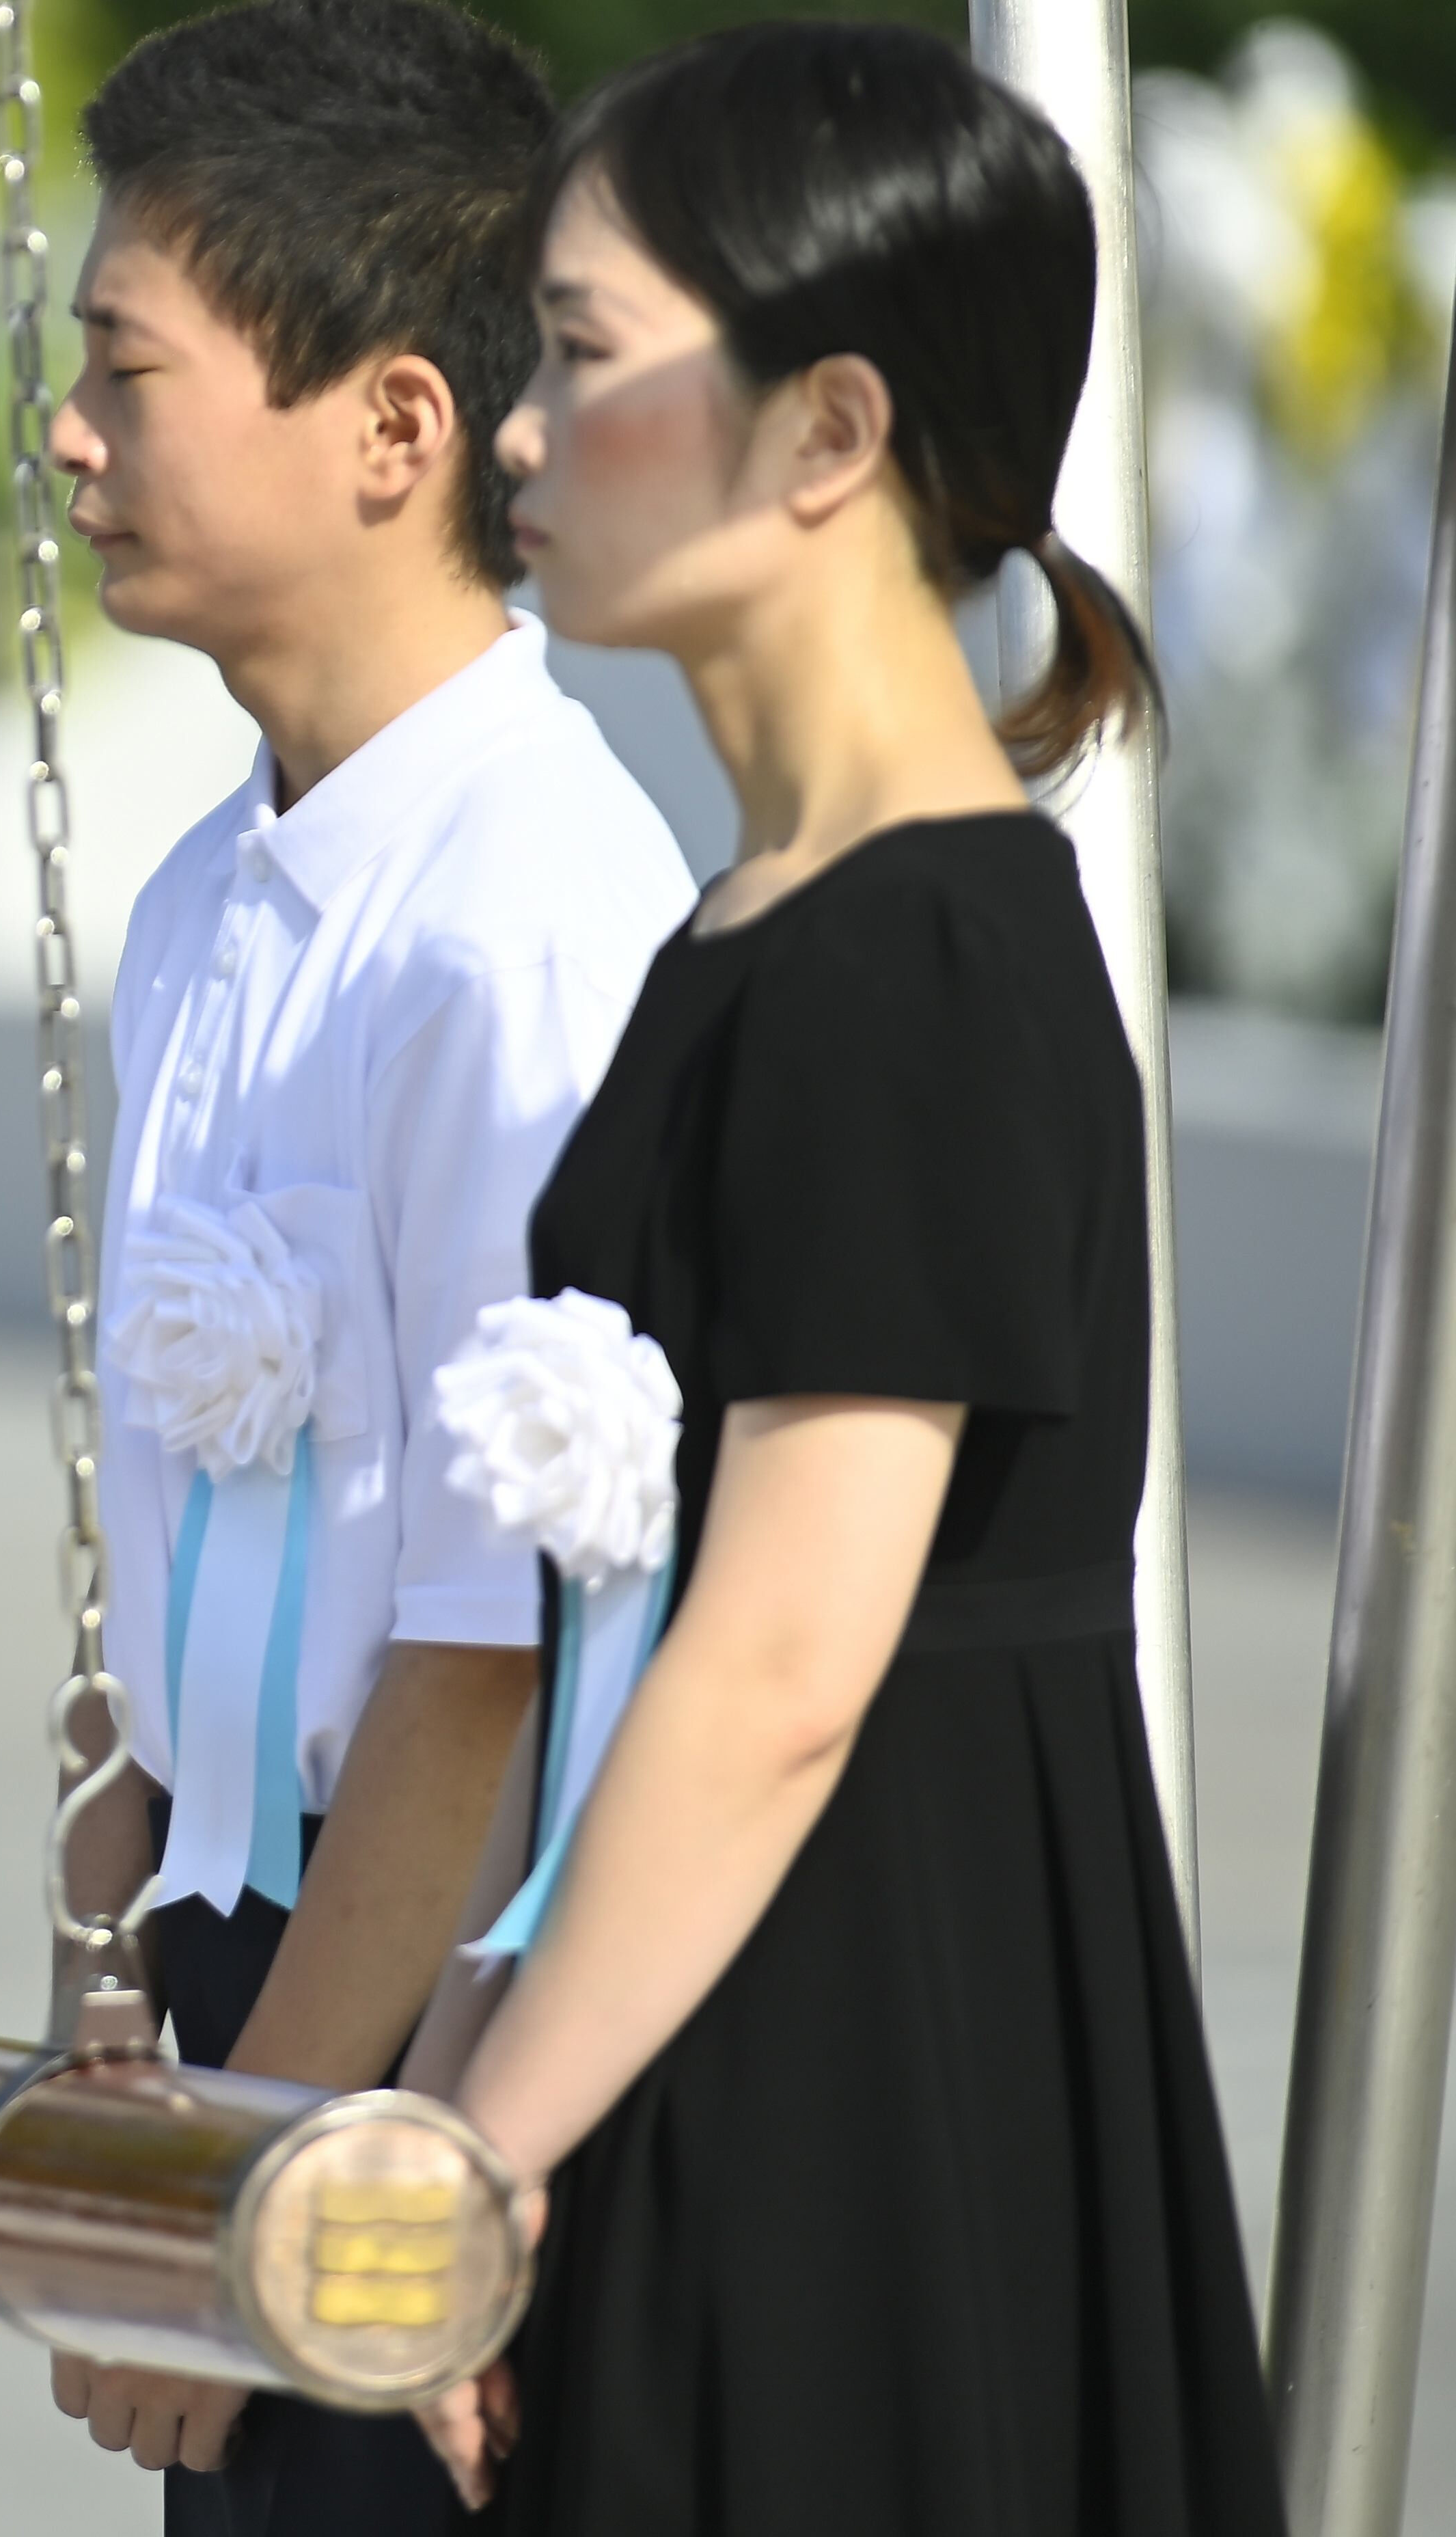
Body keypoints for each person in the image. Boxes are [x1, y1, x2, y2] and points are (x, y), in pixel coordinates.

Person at [412, 23, 1284, 2534]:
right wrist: (498, 2034)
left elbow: (794, 1655)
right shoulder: (782, 920)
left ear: (829, 433)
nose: (520, 434)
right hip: (748, 1985)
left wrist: (490, 2142)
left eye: (580, 356)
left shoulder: (909, 952)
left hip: (865, 2045)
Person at [41, 3, 693, 2527]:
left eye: (128, 368)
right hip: (243, 1995)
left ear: (398, 427)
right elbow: (178, 1540)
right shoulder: (219, 888)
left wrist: (252, 2171)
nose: (71, 433)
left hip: (432, 2027)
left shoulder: (518, 928)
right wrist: (109, 2018)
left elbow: (484, 1656)